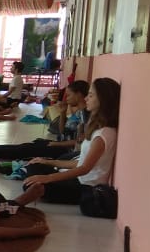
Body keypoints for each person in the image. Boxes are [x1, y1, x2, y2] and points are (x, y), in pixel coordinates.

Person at [20, 77, 120, 205]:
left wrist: (47, 178)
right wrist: (47, 162)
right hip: (77, 178)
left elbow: (84, 168)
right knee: (35, 165)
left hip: (84, 186)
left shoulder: (104, 134)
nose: (86, 99)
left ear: (103, 100)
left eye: (90, 95)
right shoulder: (97, 128)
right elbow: (80, 162)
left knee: (32, 185)